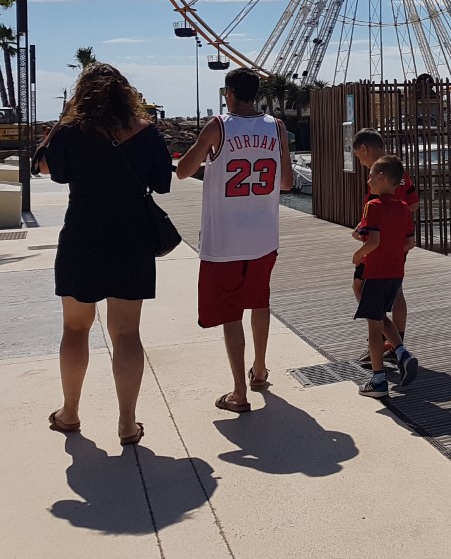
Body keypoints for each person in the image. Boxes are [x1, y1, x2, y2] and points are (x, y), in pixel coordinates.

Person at [36, 63, 172, 445]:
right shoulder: (146, 132)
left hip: (83, 236)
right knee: (127, 334)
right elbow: (162, 183)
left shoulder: (70, 131)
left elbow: (50, 169)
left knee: (75, 329)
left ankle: (70, 412)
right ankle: (127, 423)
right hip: (132, 238)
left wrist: (66, 118)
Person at [177, 67, 292, 414]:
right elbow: (286, 182)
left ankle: (239, 392)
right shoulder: (277, 127)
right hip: (264, 235)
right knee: (259, 301)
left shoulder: (219, 126)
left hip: (225, 239)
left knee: (231, 312)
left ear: (228, 92)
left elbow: (183, 170)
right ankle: (259, 369)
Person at [351, 154, 419, 398]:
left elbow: (374, 240)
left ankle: (378, 380)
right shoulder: (403, 208)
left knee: (373, 325)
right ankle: (402, 353)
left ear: (381, 178)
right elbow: (409, 242)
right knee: (379, 315)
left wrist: (358, 255)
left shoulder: (374, 205)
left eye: (370, 176)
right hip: (395, 272)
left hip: (376, 271)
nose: (368, 180)